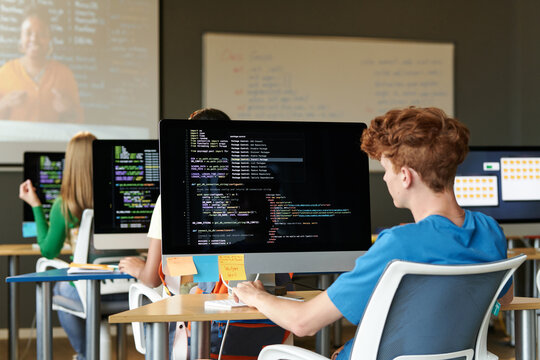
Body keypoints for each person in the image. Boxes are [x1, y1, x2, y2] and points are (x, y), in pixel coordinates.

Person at [232, 106, 512, 360]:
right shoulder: (490, 231)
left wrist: (255, 296)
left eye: (386, 169)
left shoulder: (398, 245)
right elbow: (503, 300)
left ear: (406, 176)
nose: (386, 178)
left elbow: (303, 323)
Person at [0, 6, 83, 123]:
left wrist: (69, 110)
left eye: (42, 34)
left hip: (52, 141)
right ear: (20, 38)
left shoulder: (64, 74)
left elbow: (79, 121)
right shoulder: (5, 72)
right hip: (17, 141)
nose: (34, 39)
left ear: (50, 39)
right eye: (28, 33)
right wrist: (3, 103)